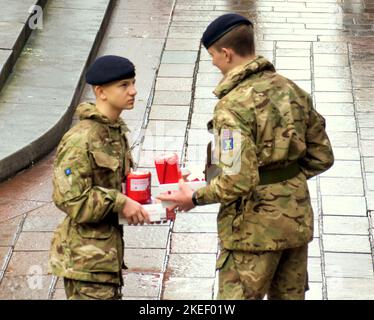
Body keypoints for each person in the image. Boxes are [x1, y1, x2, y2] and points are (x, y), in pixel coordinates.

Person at [157, 14, 334, 300]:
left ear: (226, 53)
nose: (213, 63)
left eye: (213, 56)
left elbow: (240, 180)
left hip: (251, 231)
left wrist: (194, 197)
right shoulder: (292, 90)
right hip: (295, 223)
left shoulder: (232, 106)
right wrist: (283, 181)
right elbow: (322, 156)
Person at [48, 55, 150, 300]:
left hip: (105, 260)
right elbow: (70, 200)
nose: (133, 91)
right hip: (85, 263)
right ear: (101, 92)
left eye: (133, 83)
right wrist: (120, 201)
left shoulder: (114, 132)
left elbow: (116, 184)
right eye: (124, 85)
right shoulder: (81, 139)